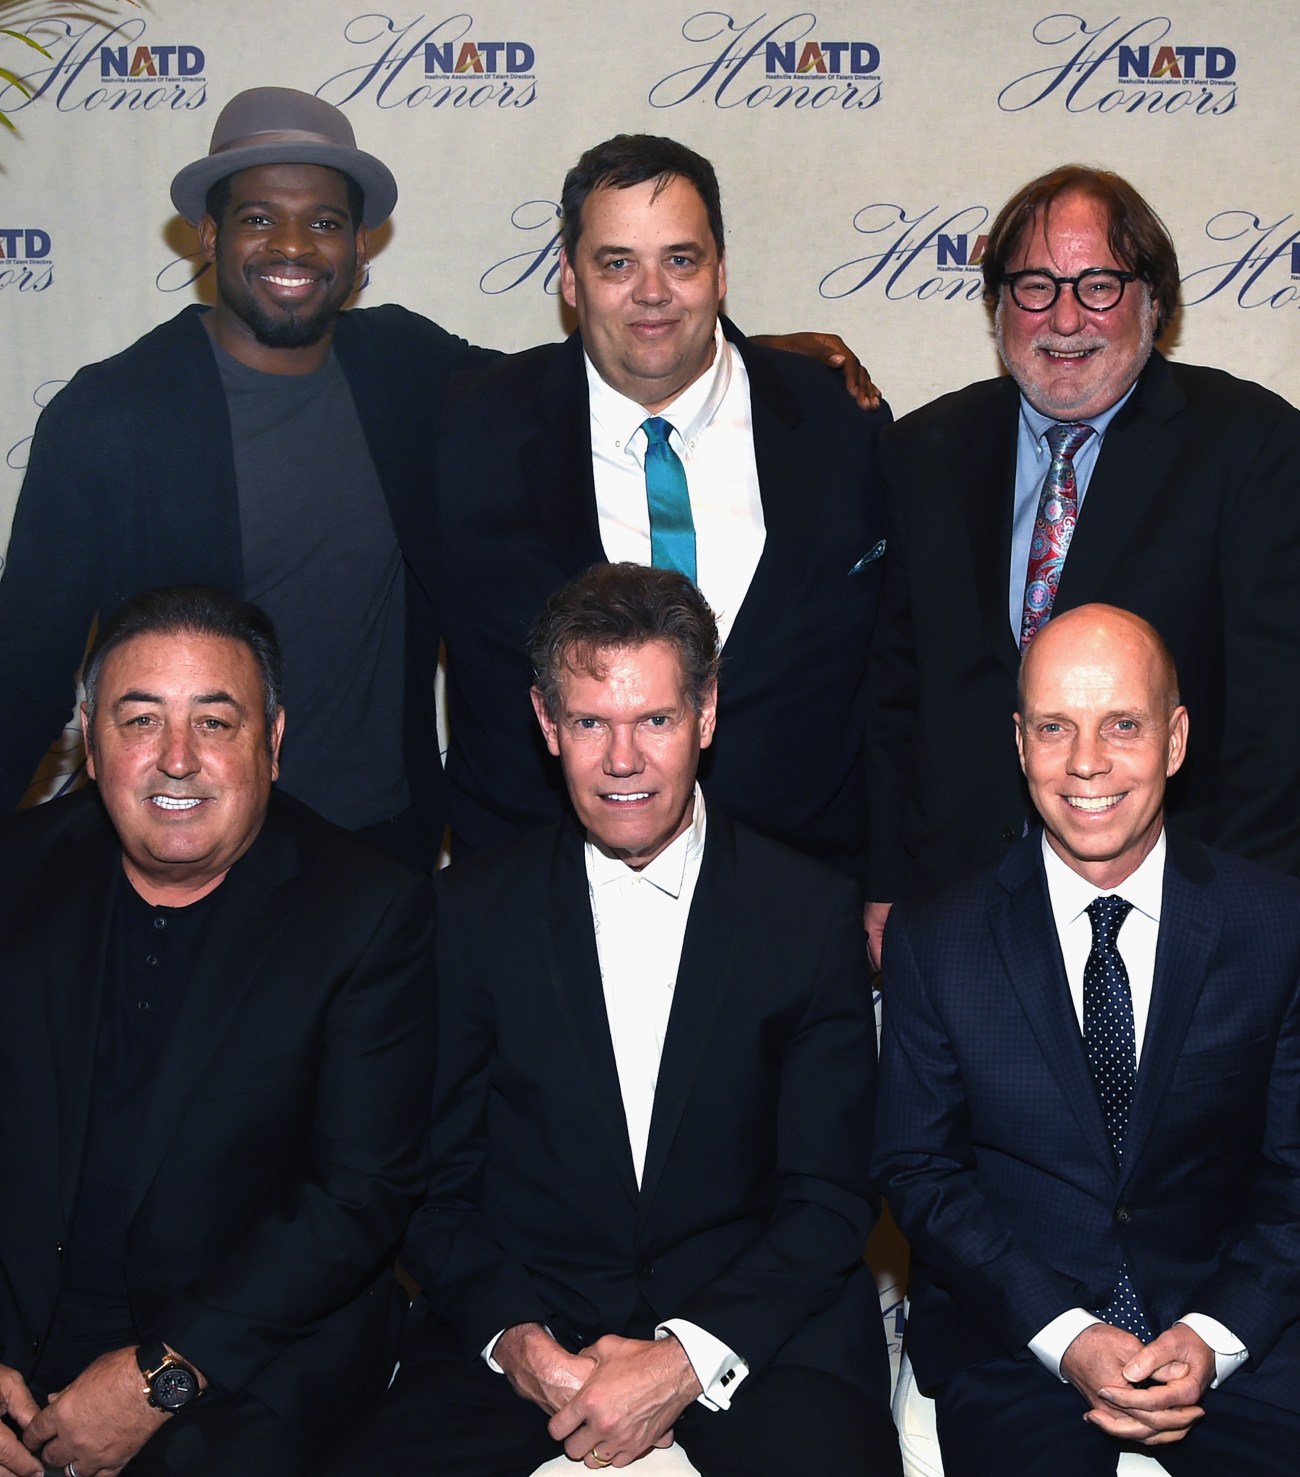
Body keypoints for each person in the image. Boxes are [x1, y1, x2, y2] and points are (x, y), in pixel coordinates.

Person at [0, 91, 872, 870]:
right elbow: (26, 670)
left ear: (359, 246)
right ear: (209, 236)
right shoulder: (108, 415)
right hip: (184, 845)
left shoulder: (403, 371)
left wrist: (761, 360)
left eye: (326, 223)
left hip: (378, 855)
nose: (294, 246)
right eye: (261, 218)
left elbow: (602, 368)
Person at [327, 563, 900, 1477]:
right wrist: (519, 1343)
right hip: (528, 1341)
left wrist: (685, 1357)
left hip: (758, 1342)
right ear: (547, 724)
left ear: (706, 716)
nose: (623, 759)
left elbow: (829, 1193)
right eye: (592, 722)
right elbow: (432, 1187)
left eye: (656, 721)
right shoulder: (467, 914)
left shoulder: (807, 912)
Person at [0, 586, 435, 1477]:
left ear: (271, 742)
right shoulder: (13, 876)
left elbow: (357, 1196)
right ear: (89, 736)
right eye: (139, 719)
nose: (176, 760)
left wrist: (159, 1378)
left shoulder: (365, 912)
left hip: (246, 1357)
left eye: (215, 722)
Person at [874, 603, 1300, 1476]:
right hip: (1017, 1345)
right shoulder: (936, 937)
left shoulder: (1276, 927)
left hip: (1245, 1337)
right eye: (1055, 727)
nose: (1087, 762)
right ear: (1020, 741)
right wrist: (1066, 1337)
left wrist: (1214, 1338)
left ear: (1176, 740)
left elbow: (1295, 1179)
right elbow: (922, 1173)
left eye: (1123, 725)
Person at [864, 164, 1300, 963]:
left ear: (1154, 302)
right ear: (999, 304)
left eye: (1099, 284)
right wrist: (886, 880)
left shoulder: (1251, 446)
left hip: (1175, 914)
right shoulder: (922, 452)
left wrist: (1251, 918)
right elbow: (893, 694)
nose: (1064, 317)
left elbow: (1277, 722)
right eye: (1034, 285)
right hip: (957, 911)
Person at [435, 133, 891, 882]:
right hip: (540, 904)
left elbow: (893, 674)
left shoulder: (842, 426)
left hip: (796, 900)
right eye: (617, 263)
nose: (652, 292)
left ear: (720, 273)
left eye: (680, 259)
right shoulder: (467, 433)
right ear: (570, 281)